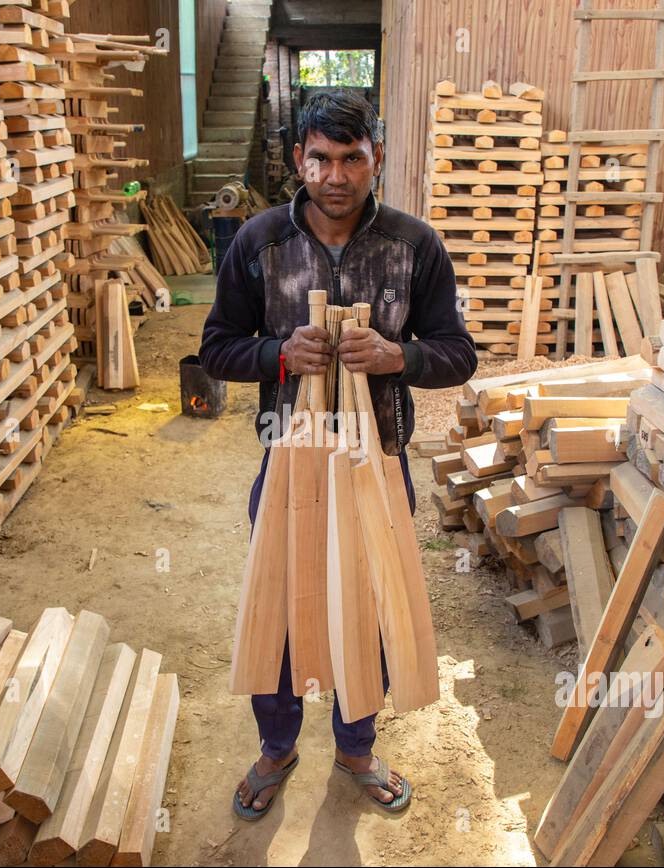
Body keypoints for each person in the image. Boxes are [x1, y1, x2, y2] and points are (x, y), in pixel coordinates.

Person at [199, 89, 477, 819]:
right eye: (320, 158)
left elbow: (457, 356)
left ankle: (356, 747)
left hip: (376, 459)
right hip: (288, 458)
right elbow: (215, 350)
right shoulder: (259, 242)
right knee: (281, 608)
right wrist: (278, 354)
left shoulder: (415, 246)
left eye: (352, 158)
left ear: (374, 158)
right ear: (299, 159)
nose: (336, 176)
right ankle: (276, 747)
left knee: (374, 606)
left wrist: (396, 356)